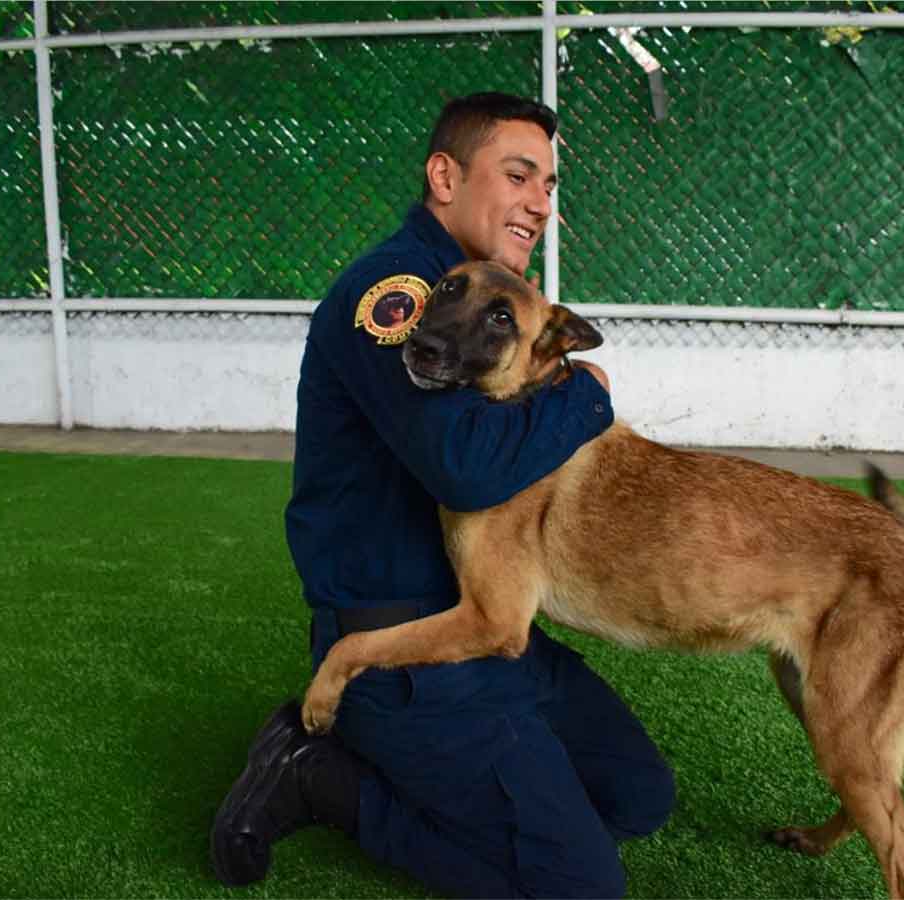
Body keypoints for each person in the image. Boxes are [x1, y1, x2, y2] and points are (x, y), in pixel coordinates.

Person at [210, 92, 675, 898]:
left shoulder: (487, 293)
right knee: (583, 890)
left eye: (549, 185)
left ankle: (464, 781)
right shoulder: (403, 293)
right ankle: (319, 777)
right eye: (518, 176)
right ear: (445, 177)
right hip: (402, 652)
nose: (540, 202)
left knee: (638, 798)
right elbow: (465, 466)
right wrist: (587, 391)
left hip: (485, 630)